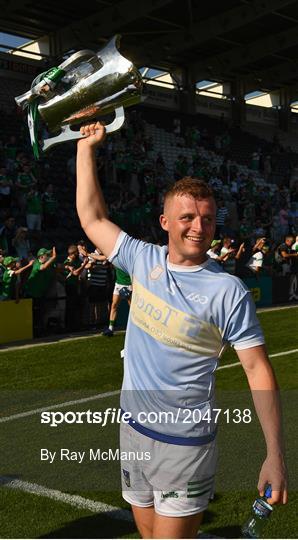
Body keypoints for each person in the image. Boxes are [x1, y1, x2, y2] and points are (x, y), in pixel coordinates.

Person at [76, 122, 287, 540]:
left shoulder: (227, 290)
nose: (197, 227)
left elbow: (258, 371)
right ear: (165, 221)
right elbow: (91, 216)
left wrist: (275, 455)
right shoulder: (140, 258)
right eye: (187, 217)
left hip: (186, 446)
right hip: (133, 429)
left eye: (207, 219)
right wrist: (86, 148)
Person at [102, 266, 132, 336]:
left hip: (128, 285)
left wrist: (133, 285)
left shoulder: (128, 259)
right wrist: (89, 255)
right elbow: (103, 258)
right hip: (118, 284)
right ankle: (111, 328)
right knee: (114, 305)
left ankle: (136, 327)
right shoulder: (115, 258)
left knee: (132, 307)